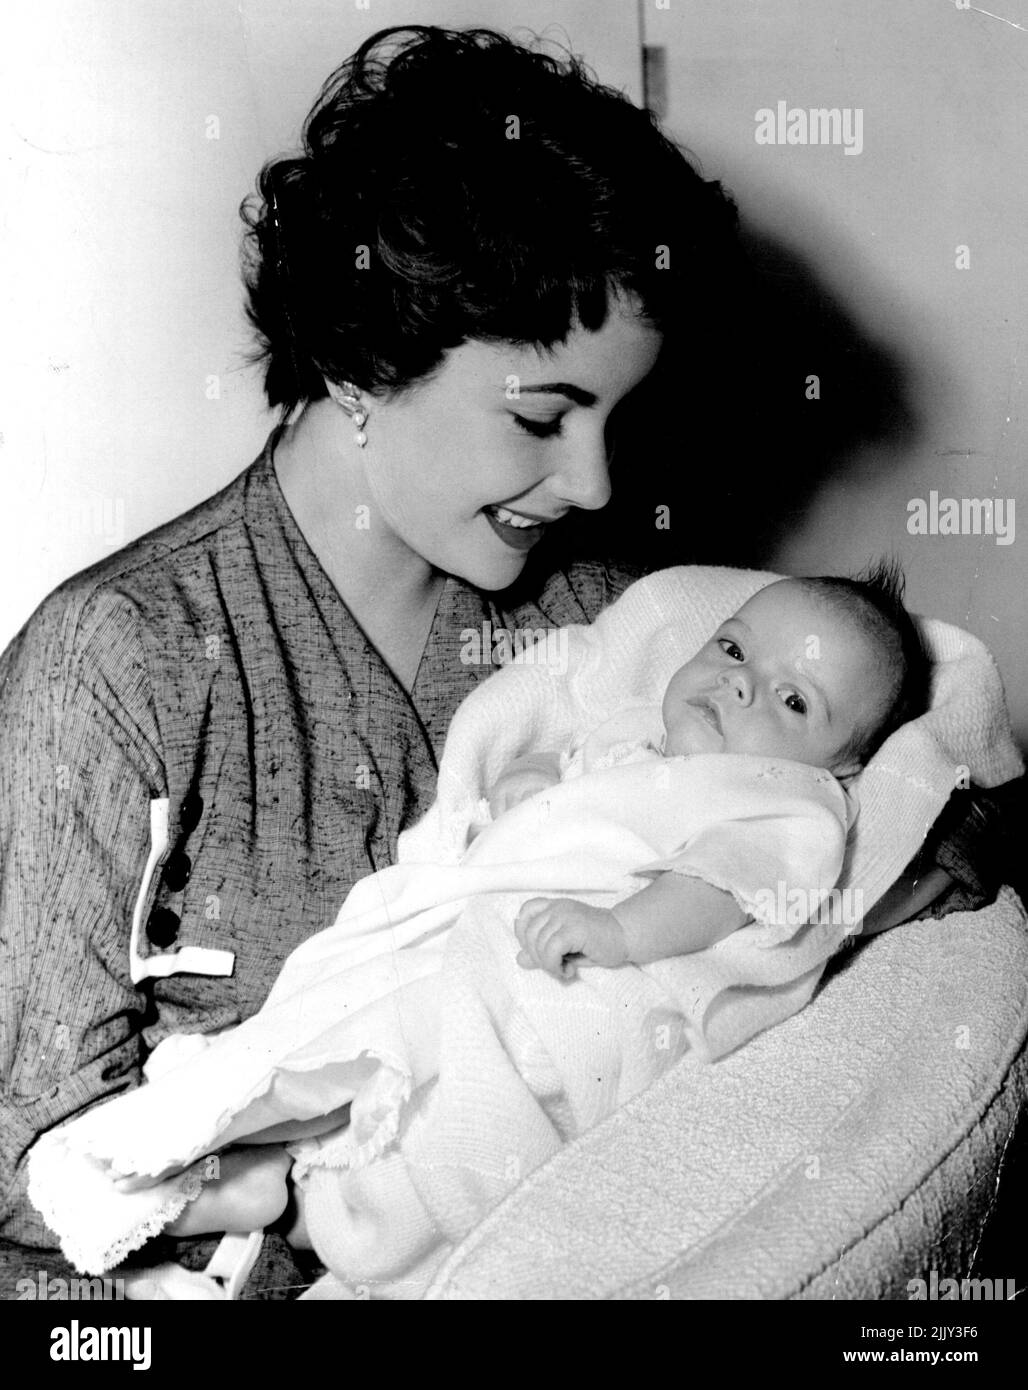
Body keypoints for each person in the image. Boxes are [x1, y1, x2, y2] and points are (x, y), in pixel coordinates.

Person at [0, 25, 1006, 1301]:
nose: (592, 482)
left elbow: (872, 833)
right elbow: (22, 1159)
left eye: (612, 421)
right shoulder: (122, 667)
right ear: (365, 355)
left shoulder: (611, 630)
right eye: (540, 417)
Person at [65, 562, 925, 1277]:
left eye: (793, 701)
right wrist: (535, 772)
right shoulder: (638, 734)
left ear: (845, 764)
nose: (739, 682)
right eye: (732, 647)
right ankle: (251, 1140)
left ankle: (310, 1203)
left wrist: (625, 932)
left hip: (577, 976)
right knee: (361, 1007)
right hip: (491, 909)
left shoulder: (789, 803)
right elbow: (567, 764)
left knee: (461, 1091)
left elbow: (721, 888)